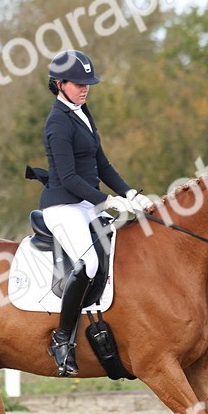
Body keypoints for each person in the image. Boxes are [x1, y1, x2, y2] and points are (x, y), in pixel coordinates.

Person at [40, 49, 154, 377]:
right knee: (88, 263)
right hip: (63, 205)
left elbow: (101, 163)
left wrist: (130, 194)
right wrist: (106, 202)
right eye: (78, 83)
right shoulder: (58, 122)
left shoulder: (82, 111)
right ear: (59, 84)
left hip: (86, 203)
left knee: (126, 246)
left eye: (87, 83)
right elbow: (69, 176)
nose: (84, 88)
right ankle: (62, 340)